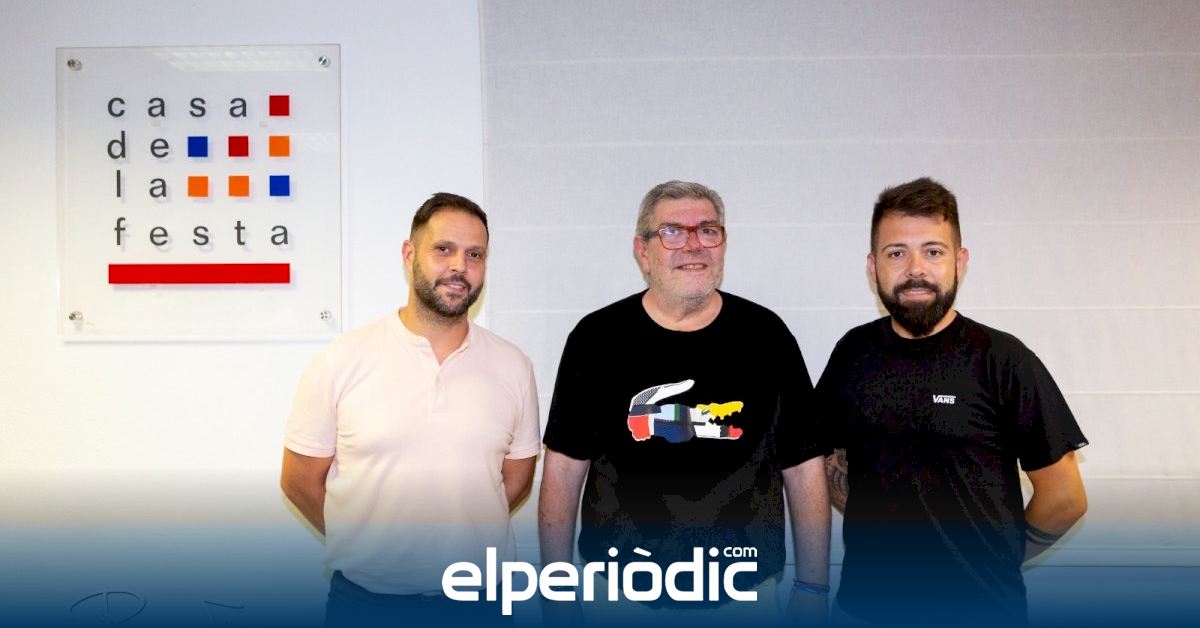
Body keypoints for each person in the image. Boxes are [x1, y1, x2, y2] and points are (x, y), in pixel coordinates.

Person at [538, 180, 831, 625]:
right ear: (643, 250)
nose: (693, 245)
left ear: (723, 244)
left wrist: (812, 587)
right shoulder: (595, 339)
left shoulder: (767, 336)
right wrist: (557, 590)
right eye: (672, 231)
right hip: (618, 596)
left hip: (744, 597)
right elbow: (562, 470)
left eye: (708, 230)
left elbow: (804, 466)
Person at [819, 177, 1089, 626]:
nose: (915, 269)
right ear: (872, 266)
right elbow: (820, 461)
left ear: (959, 262)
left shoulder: (1002, 359)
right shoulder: (853, 353)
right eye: (896, 253)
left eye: (933, 251)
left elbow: (1065, 499)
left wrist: (998, 556)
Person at [280, 192, 541, 627]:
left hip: (481, 605)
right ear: (409, 254)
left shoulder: (514, 366)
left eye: (474, 254)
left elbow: (515, 480)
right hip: (365, 606)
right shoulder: (341, 360)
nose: (459, 266)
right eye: (444, 249)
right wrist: (367, 542)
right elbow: (299, 481)